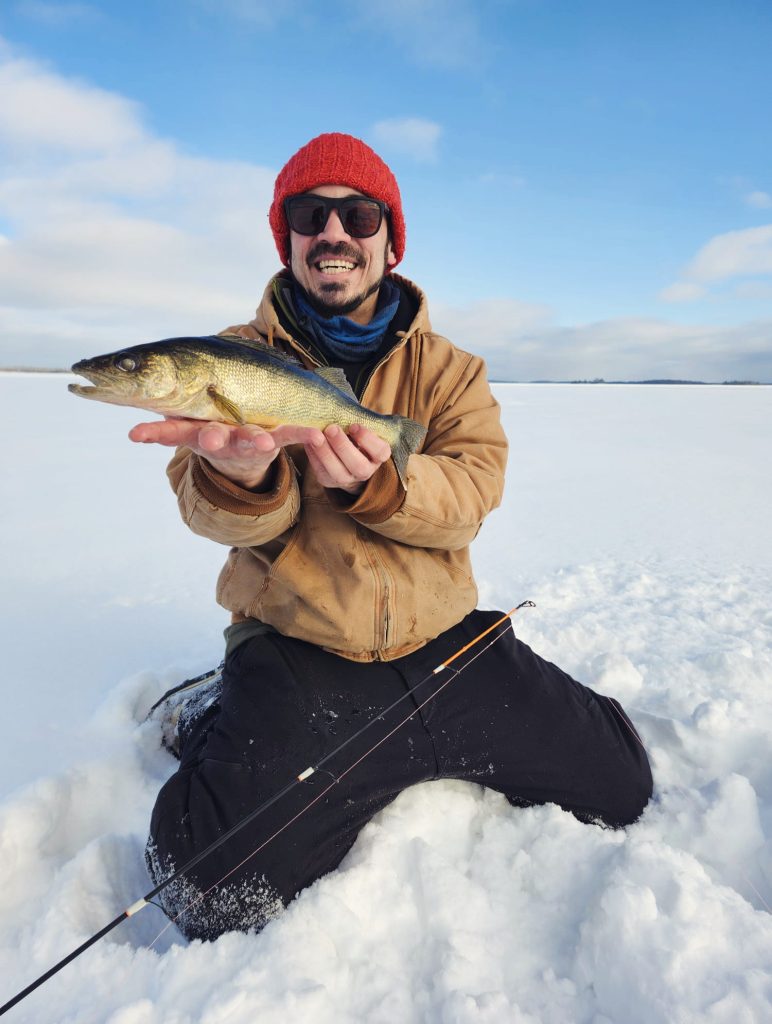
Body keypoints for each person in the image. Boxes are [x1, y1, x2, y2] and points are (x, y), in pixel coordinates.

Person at [135, 132, 652, 940]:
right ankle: (219, 706)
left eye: (358, 214)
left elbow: (474, 492)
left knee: (624, 784)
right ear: (289, 237)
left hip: (446, 648)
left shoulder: (452, 371)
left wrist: (381, 483)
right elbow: (209, 515)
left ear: (388, 236)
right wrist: (240, 478)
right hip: (303, 649)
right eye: (311, 215)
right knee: (208, 893)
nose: (334, 233)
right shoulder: (231, 360)